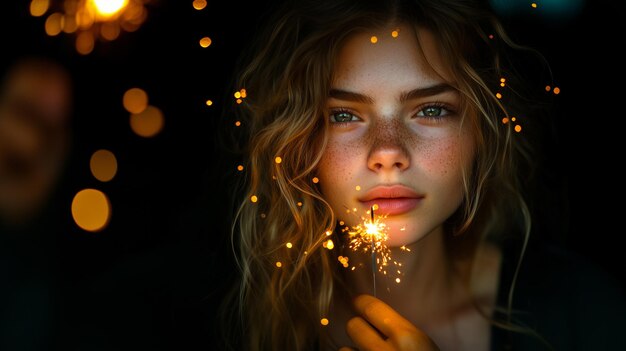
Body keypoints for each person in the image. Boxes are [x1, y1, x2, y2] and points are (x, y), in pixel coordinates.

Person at [215, 0, 626, 350]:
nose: (388, 153)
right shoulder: (217, 320)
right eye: (343, 115)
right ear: (298, 140)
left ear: (482, 130)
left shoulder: (584, 311)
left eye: (431, 110)